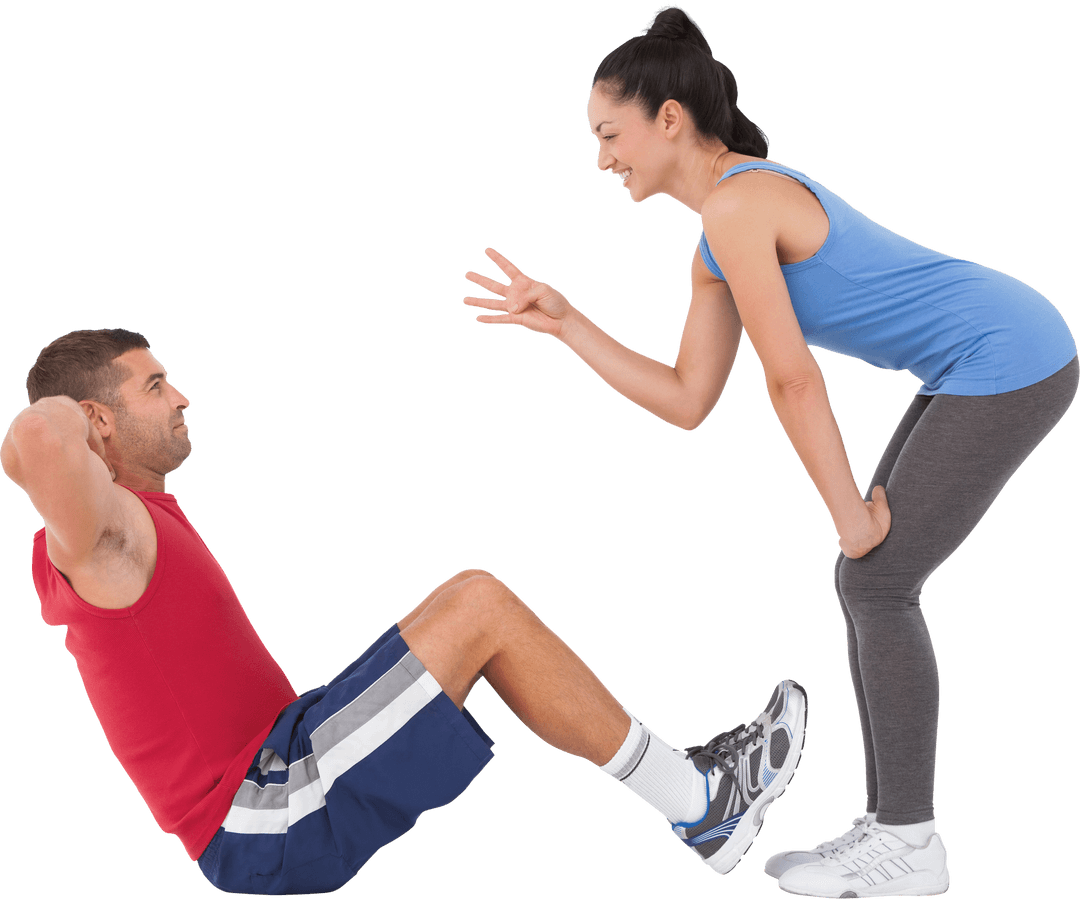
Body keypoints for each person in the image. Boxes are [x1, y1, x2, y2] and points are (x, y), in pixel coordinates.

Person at [462, 5, 1078, 898]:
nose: (602, 158)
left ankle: (910, 839)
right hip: (972, 358)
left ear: (668, 118)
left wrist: (852, 515)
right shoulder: (717, 236)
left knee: (874, 576)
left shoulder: (743, 205)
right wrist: (568, 325)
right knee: (868, 579)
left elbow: (790, 379)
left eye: (610, 134)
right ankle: (892, 826)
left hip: (1011, 353)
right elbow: (687, 398)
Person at [2, 326, 808, 895]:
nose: (181, 396)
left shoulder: (145, 514)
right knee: (482, 608)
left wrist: (100, 411)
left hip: (284, 752)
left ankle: (696, 796)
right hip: (260, 811)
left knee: (467, 594)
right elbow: (36, 445)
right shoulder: (105, 537)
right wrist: (71, 411)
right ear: (99, 419)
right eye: (154, 385)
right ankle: (701, 803)